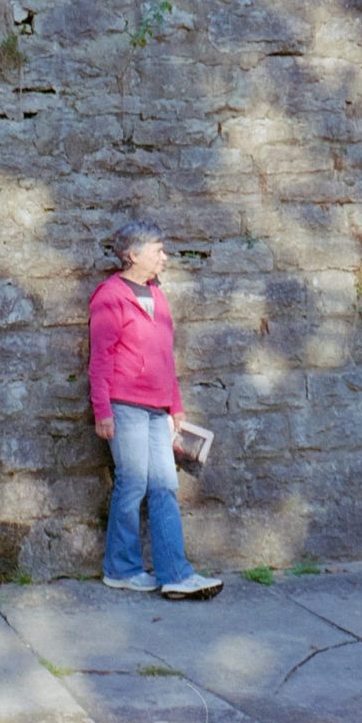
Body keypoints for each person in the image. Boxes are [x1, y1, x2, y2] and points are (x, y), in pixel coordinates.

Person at [88, 219, 223, 600]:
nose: (165, 257)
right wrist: (103, 411)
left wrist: (175, 407)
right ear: (133, 255)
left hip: (156, 409)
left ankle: (176, 575)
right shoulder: (110, 296)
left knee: (164, 486)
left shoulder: (157, 295)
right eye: (158, 250)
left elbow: (165, 357)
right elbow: (100, 360)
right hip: (124, 406)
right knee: (132, 484)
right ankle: (121, 569)